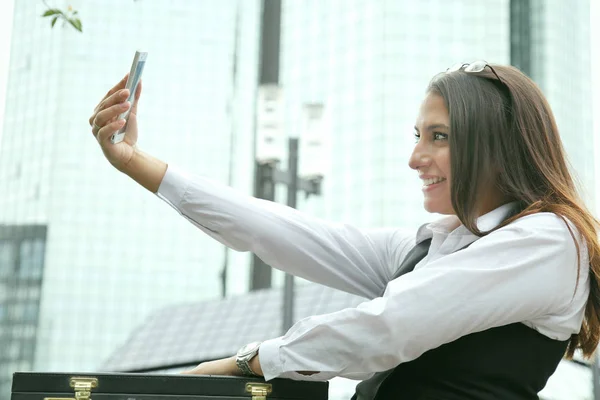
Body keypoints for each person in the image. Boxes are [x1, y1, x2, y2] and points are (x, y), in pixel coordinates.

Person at [88, 61, 600, 400]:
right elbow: (283, 231)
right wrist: (136, 163)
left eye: (439, 138)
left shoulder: (549, 241)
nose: (415, 157)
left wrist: (243, 363)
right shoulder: (439, 243)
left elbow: (388, 327)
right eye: (418, 136)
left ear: (497, 145)